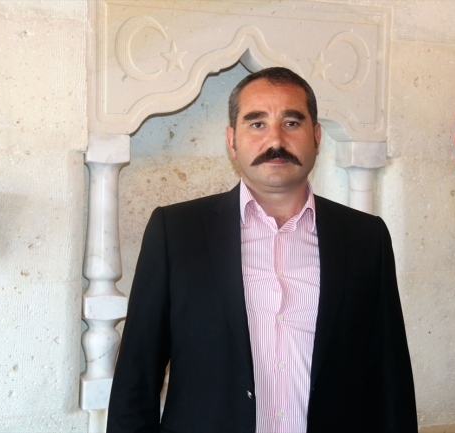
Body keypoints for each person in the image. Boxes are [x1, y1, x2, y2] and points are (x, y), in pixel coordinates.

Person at [107, 67, 417, 433]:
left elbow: (390, 378)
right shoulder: (176, 232)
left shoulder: (366, 237)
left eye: (291, 123)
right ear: (232, 141)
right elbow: (136, 378)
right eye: (257, 124)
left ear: (316, 137)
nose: (275, 139)